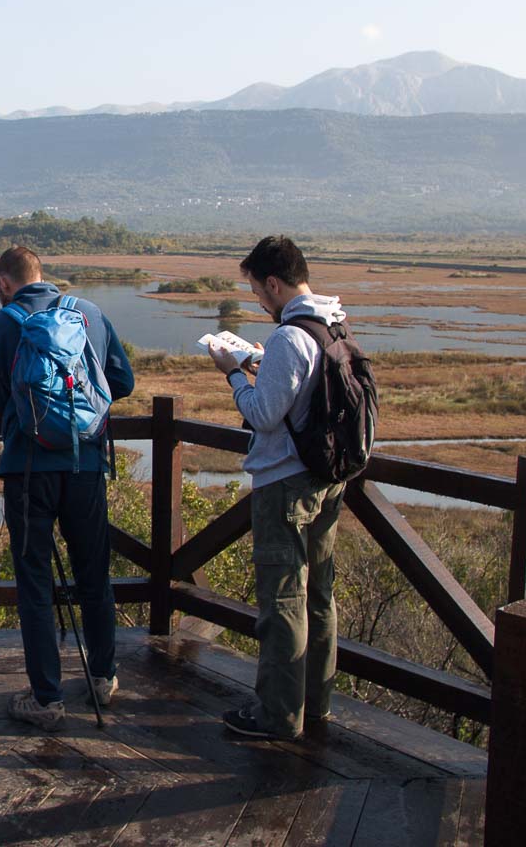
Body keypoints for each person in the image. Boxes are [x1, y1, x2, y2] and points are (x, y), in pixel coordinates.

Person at [0, 246, 134, 731]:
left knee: (35, 582)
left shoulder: (3, 324)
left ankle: (47, 699)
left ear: (3, 282)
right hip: (85, 465)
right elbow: (122, 381)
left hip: (28, 471)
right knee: (94, 575)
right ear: (42, 274)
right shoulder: (89, 313)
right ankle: (103, 677)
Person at [206, 234, 348, 740]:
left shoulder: (290, 337)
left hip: (287, 485)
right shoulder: (331, 323)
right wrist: (263, 368)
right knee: (319, 595)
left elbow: (264, 414)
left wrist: (233, 375)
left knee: (284, 599)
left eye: (257, 292)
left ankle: (278, 716)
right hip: (327, 479)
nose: (259, 302)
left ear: (273, 283)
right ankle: (315, 704)